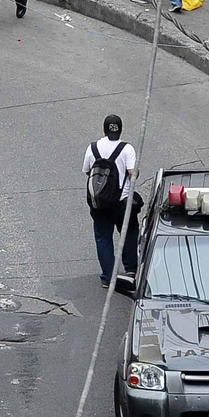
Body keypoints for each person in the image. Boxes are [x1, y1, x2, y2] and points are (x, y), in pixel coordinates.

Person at [83, 114, 142, 287]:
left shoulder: (92, 148)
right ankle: (130, 270)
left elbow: (88, 171)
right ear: (121, 129)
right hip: (122, 202)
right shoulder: (127, 149)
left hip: (100, 203)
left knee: (103, 238)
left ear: (104, 129)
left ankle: (109, 277)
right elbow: (133, 174)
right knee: (129, 232)